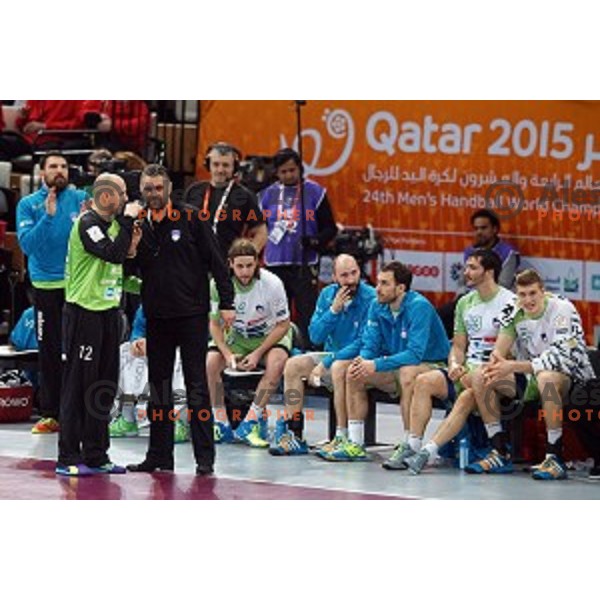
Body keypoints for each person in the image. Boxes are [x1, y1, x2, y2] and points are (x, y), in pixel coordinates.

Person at [126, 164, 234, 476]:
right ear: (142, 191)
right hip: (157, 317)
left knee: (196, 387)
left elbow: (217, 262)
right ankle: (159, 456)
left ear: (169, 188)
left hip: (191, 316)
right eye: (148, 189)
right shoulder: (138, 225)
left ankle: (204, 459)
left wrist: (227, 303)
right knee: (158, 389)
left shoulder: (191, 218)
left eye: (158, 188)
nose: (153, 194)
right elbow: (129, 267)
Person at [469, 268, 596, 480]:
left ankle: (554, 456)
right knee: (482, 375)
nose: (528, 300)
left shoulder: (562, 309)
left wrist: (512, 366)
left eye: (532, 294)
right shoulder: (513, 309)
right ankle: (499, 451)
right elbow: (499, 351)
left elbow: (560, 359)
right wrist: (496, 363)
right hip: (530, 376)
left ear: (543, 292)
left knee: (546, 376)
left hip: (572, 378)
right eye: (522, 294)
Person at [399, 250, 517, 473]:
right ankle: (413, 447)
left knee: (469, 391)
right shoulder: (464, 303)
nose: (466, 273)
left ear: (489, 272)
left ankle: (430, 451)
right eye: (466, 267)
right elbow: (459, 346)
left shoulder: (510, 303)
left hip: (494, 376)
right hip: (467, 371)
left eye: (473, 268)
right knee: (424, 381)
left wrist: (468, 372)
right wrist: (454, 363)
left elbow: (506, 352)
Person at [56, 173, 142, 476]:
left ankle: (97, 454)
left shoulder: (116, 225)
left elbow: (124, 258)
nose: (126, 199)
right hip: (83, 312)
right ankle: (67, 455)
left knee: (104, 385)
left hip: (108, 312)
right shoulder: (87, 223)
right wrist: (129, 228)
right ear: (106, 195)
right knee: (79, 384)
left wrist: (132, 245)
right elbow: (112, 253)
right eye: (121, 193)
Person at [321, 261, 450, 462]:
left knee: (408, 372)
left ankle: (410, 444)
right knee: (354, 372)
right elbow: (370, 344)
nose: (377, 289)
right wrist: (363, 361)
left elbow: (415, 354)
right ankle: (355, 444)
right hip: (396, 364)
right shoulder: (377, 305)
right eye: (378, 282)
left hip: (432, 364)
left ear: (401, 288)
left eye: (384, 284)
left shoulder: (419, 307)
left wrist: (376, 365)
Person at [270, 254, 376, 456]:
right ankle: (295, 433)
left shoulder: (371, 298)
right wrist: (333, 311)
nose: (351, 280)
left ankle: (342, 437)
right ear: (335, 278)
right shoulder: (327, 295)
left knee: (339, 367)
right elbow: (315, 335)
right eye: (344, 275)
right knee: (292, 366)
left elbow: (363, 341)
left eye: (354, 273)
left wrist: (327, 362)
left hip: (359, 357)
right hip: (332, 354)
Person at [16, 152, 88, 434]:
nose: (59, 170)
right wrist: (47, 216)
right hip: (45, 287)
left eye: (63, 166)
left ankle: (79, 411)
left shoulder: (81, 198)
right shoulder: (29, 204)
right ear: (42, 172)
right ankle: (50, 413)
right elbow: (27, 246)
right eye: (53, 166)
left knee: (78, 350)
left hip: (77, 286)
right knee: (49, 350)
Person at [209, 239, 291, 448]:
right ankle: (220, 422)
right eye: (240, 266)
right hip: (237, 339)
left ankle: (250, 422)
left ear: (257, 263)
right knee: (210, 363)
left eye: (249, 265)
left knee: (276, 363)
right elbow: (215, 325)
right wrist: (227, 354)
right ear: (230, 264)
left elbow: (283, 324)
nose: (245, 271)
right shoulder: (218, 285)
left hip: (270, 336)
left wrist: (258, 353)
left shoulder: (272, 284)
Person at [259, 147, 337, 346]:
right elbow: (258, 228)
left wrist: (314, 241)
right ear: (276, 172)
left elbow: (330, 228)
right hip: (275, 264)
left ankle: (309, 352)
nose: (289, 175)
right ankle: (277, 351)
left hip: (304, 263)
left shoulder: (314, 191)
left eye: (292, 170)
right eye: (283, 171)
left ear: (300, 169)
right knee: (275, 316)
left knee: (307, 314)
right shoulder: (267, 195)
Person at [108, 305, 189, 444]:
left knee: (179, 357)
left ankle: (178, 420)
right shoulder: (148, 303)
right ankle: (127, 418)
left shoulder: (188, 302)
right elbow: (138, 330)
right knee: (125, 351)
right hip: (152, 349)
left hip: (179, 348)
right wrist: (137, 342)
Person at [439, 208, 520, 337]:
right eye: (476, 229)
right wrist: (460, 300)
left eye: (483, 228)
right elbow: (462, 282)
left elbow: (503, 283)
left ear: (494, 229)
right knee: (442, 315)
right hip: (470, 299)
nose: (479, 232)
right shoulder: (470, 252)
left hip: (494, 300)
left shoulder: (508, 253)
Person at [184, 142, 267, 258]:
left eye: (226, 165)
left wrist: (246, 259)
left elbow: (261, 232)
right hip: (194, 262)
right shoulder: (193, 191)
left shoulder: (244, 195)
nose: (220, 170)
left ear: (235, 168)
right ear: (208, 165)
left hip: (226, 264)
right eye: (216, 164)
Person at [80, 101, 150, 155]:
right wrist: (99, 116)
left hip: (130, 147)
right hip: (104, 144)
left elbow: (142, 123)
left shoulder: (138, 104)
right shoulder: (104, 102)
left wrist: (113, 125)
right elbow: (82, 114)